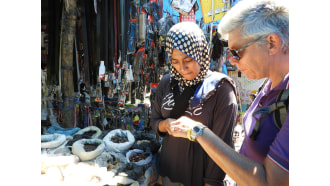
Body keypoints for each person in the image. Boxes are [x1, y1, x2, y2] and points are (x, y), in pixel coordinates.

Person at [167, 0, 289, 185]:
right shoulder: (271, 84)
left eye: (237, 52)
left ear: (272, 43)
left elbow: (270, 182)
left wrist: (198, 131)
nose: (232, 61)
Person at [150, 21, 238, 186]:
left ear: (200, 53)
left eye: (188, 59)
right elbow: (154, 121)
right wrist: (165, 125)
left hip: (198, 178)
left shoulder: (220, 88)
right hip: (166, 175)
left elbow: (223, 147)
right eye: (174, 61)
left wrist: (211, 183)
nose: (182, 68)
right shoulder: (167, 82)